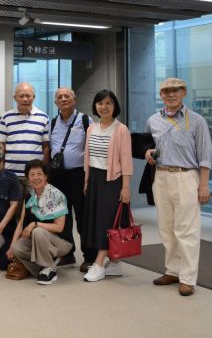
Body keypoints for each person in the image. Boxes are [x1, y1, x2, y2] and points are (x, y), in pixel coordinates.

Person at [144, 78, 212, 297]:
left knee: (187, 230)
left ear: (184, 93)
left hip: (186, 177)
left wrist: (204, 185)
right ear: (161, 95)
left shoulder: (197, 121)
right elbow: (148, 146)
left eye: (175, 91)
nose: (170, 94)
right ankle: (172, 271)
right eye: (166, 91)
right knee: (166, 228)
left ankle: (187, 278)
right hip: (161, 177)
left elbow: (205, 155)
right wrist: (147, 153)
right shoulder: (153, 120)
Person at [82, 90, 133, 283]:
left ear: (115, 106)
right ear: (95, 106)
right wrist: (87, 180)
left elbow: (126, 160)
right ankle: (115, 262)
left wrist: (126, 187)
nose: (104, 107)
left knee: (107, 222)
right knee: (97, 221)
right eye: (100, 103)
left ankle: (99, 264)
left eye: (108, 103)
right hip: (94, 179)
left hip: (113, 181)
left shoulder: (121, 130)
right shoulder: (91, 128)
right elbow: (88, 157)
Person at [47, 87, 95, 270]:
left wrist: (89, 176)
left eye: (67, 96)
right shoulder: (52, 123)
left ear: (74, 100)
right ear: (55, 102)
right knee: (62, 216)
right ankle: (67, 253)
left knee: (82, 216)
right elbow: (48, 148)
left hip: (79, 174)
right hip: (58, 175)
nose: (63, 99)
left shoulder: (85, 120)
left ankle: (89, 256)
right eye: (59, 97)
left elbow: (91, 148)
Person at [8, 160, 72, 285]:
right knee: (16, 248)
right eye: (32, 174)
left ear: (46, 176)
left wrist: (35, 224)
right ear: (28, 178)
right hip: (38, 240)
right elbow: (20, 224)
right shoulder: (29, 196)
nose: (36, 178)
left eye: (39, 174)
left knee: (37, 231)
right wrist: (11, 246)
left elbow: (59, 227)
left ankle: (49, 268)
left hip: (61, 242)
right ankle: (40, 268)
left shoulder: (56, 195)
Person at [0, 82, 50, 183]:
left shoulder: (43, 117)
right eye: (21, 96)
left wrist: (44, 170)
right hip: (11, 173)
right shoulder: (6, 117)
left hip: (35, 174)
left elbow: (46, 147)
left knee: (35, 195)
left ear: (34, 97)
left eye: (28, 96)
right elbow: (1, 145)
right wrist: (1, 168)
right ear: (15, 98)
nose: (25, 99)